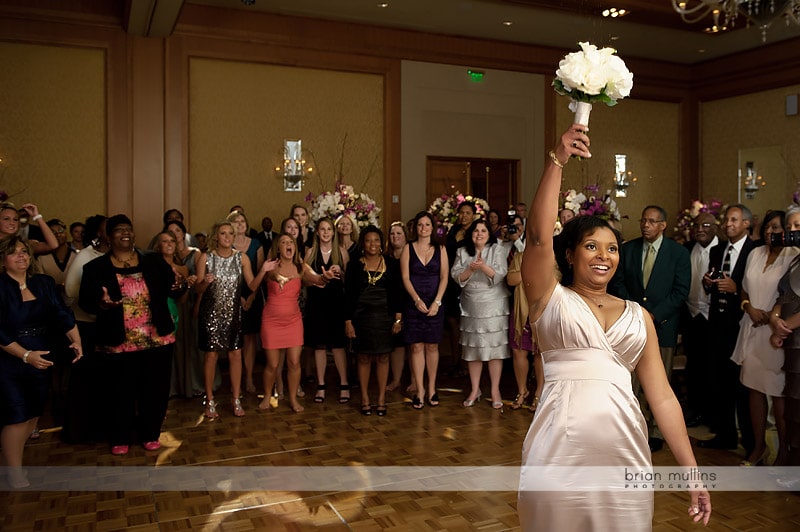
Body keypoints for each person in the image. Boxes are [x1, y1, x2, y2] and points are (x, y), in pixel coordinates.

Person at [518, 125, 711, 529]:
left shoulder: (638, 316)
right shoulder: (549, 299)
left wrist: (691, 471)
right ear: (569, 254)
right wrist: (558, 159)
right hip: (557, 451)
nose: (604, 256)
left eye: (611, 248)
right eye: (591, 246)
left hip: (626, 453)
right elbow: (537, 236)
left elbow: (662, 398)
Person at [79, 214, 181, 456]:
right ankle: (120, 436)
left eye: (129, 229)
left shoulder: (154, 260)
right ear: (108, 236)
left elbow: (173, 288)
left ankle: (150, 433)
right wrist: (101, 304)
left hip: (156, 337)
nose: (125, 233)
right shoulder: (95, 267)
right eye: (118, 230)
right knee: (119, 391)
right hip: (117, 341)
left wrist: (181, 285)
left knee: (154, 389)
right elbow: (84, 301)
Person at [0, 236, 82, 488]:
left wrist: (76, 340)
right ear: (3, 259)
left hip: (43, 354)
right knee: (16, 415)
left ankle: (9, 461)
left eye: (24, 251)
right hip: (9, 359)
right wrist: (25, 355)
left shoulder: (43, 283)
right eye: (14, 253)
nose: (22, 256)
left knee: (33, 414)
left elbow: (61, 313)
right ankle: (14, 472)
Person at [609, 205, 691, 452]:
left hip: (662, 326)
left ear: (663, 225)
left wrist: (653, 315)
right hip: (630, 325)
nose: (646, 225)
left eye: (652, 221)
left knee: (658, 381)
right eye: (644, 220)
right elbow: (618, 283)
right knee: (629, 381)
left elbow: (680, 292)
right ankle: (632, 427)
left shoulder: (678, 253)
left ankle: (655, 431)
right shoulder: (629, 249)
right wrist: (634, 313)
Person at [732, 209, 798, 466]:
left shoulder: (793, 256)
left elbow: (791, 296)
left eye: (778, 228)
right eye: (768, 227)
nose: (772, 232)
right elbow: (744, 289)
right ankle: (759, 447)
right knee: (754, 390)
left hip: (777, 333)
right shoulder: (755, 253)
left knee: (778, 395)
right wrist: (749, 308)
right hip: (751, 328)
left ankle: (783, 451)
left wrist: (771, 316)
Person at [252, 233, 334, 413]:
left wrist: (325, 277)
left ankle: (293, 399)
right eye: (284, 242)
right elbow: (265, 281)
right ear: (278, 248)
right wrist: (273, 275)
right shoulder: (271, 266)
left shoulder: (301, 266)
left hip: (293, 321)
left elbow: (317, 279)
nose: (288, 245)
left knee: (294, 363)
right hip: (271, 321)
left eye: (291, 242)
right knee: (272, 365)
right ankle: (267, 395)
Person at [699, 204, 757, 452]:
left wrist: (736, 291)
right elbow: (713, 284)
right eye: (726, 220)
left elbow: (758, 287)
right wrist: (708, 282)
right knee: (718, 381)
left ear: (746, 223)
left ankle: (752, 442)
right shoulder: (718, 249)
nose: (728, 224)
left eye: (734, 219)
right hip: (717, 325)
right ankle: (725, 436)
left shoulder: (755, 251)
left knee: (743, 386)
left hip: (742, 324)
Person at [195, 220, 258, 419]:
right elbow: (197, 290)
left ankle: (236, 398)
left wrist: (264, 270)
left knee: (236, 354)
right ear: (216, 236)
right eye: (223, 233)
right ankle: (210, 399)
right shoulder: (206, 258)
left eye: (230, 233)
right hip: (211, 314)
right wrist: (204, 282)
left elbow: (252, 285)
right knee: (211, 356)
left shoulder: (242, 258)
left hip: (233, 314)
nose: (227, 237)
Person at [451, 219, 510, 409]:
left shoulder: (498, 249)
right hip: (471, 305)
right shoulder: (462, 251)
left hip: (494, 304)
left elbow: (501, 274)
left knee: (495, 348)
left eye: (483, 230)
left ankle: (495, 390)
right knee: (472, 348)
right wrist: (470, 268)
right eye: (476, 230)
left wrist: (483, 267)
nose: (479, 233)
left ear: (489, 233)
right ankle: (475, 389)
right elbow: (456, 275)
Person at [345, 226, 403, 416]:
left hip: (384, 317)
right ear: (363, 243)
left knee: (383, 356)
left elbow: (397, 293)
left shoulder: (391, 263)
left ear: (382, 243)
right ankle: (364, 398)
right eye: (369, 240)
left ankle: (380, 399)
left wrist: (398, 319)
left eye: (377, 240)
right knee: (363, 357)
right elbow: (348, 294)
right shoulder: (354, 264)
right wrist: (348, 321)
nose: (373, 244)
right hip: (361, 318)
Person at [61, 215, 108, 444]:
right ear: (98, 233)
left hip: (107, 324)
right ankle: (79, 430)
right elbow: (70, 290)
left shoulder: (112, 255)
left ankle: (102, 426)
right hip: (86, 325)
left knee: (104, 380)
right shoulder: (86, 255)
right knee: (84, 378)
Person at [400, 211, 448, 409]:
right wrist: (416, 300)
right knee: (416, 347)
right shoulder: (408, 248)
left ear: (432, 227)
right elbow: (405, 277)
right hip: (415, 303)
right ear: (415, 228)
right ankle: (419, 390)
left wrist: (437, 302)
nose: (423, 228)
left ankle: (432, 388)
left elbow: (444, 276)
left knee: (432, 346)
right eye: (420, 225)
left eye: (427, 224)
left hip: (435, 302)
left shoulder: (441, 248)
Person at [304, 217, 350, 404]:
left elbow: (350, 281)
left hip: (336, 303)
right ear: (317, 232)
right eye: (322, 229)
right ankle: (321, 385)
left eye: (328, 229)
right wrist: (318, 279)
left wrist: (341, 271)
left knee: (338, 345)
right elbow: (304, 281)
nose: (325, 232)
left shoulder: (342, 252)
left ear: (333, 232)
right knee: (319, 345)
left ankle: (344, 383)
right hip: (317, 304)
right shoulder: (310, 253)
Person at [682, 212, 721, 428]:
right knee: (694, 368)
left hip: (714, 318)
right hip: (691, 316)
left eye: (705, 225)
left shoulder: (723, 250)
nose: (700, 229)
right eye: (696, 225)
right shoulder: (687, 249)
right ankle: (696, 411)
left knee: (713, 368)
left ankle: (713, 415)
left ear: (715, 227)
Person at [768, 213, 800, 467]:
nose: (791, 231)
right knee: (792, 403)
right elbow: (783, 296)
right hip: (792, 344)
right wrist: (776, 319)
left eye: (797, 226)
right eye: (789, 226)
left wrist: (783, 327)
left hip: (795, 336)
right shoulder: (795, 260)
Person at [505, 215, 544, 411]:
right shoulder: (519, 256)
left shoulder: (549, 256)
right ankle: (522, 391)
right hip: (520, 310)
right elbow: (511, 280)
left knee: (539, 354)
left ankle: (539, 393)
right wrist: (530, 272)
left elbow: (552, 279)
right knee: (518, 351)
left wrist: (525, 274)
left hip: (541, 312)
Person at [164, 220, 205, 399]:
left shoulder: (194, 254)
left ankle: (192, 383)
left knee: (190, 345)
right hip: (170, 305)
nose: (174, 234)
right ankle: (173, 386)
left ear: (184, 234)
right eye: (170, 232)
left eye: (177, 230)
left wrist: (197, 305)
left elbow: (201, 283)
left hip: (190, 303)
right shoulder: (163, 257)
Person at [228, 210, 264, 395]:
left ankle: (249, 377)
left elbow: (260, 273)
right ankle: (236, 379)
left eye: (243, 221)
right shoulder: (226, 245)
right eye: (236, 221)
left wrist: (251, 296)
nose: (240, 224)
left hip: (252, 294)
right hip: (231, 297)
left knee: (250, 339)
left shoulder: (256, 244)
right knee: (235, 339)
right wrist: (238, 298)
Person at [444, 201, 476, 376]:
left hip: (468, 280)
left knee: (466, 322)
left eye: (468, 213)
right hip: (451, 279)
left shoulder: (475, 232)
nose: (464, 216)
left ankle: (466, 363)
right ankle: (455, 360)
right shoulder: (453, 231)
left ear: (473, 215)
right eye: (461, 212)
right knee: (452, 321)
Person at [385, 221, 411, 392]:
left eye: (399, 233)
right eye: (392, 234)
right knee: (397, 344)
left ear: (405, 236)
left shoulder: (411, 256)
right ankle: (396, 380)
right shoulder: (385, 258)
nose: (395, 237)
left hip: (410, 303)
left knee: (413, 343)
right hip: (391, 305)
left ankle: (415, 380)